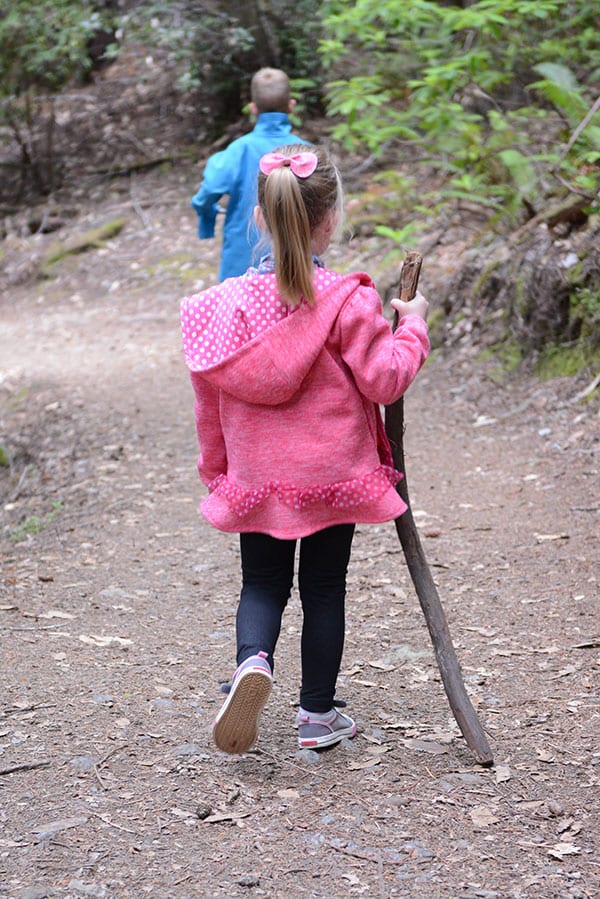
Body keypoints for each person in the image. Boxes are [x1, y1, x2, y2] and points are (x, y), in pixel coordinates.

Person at [180, 144, 430, 755]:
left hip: (258, 473)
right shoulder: (348, 300)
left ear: (260, 218)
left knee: (261, 584)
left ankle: (251, 664)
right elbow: (384, 379)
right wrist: (414, 323)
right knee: (325, 588)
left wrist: (218, 467)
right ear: (331, 219)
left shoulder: (226, 305)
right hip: (332, 473)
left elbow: (209, 399)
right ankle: (316, 716)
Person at [191, 68, 310, 281]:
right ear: (291, 106)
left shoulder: (237, 151)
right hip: (298, 268)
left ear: (252, 109)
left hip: (242, 266)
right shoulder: (307, 156)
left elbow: (208, 192)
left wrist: (207, 220)